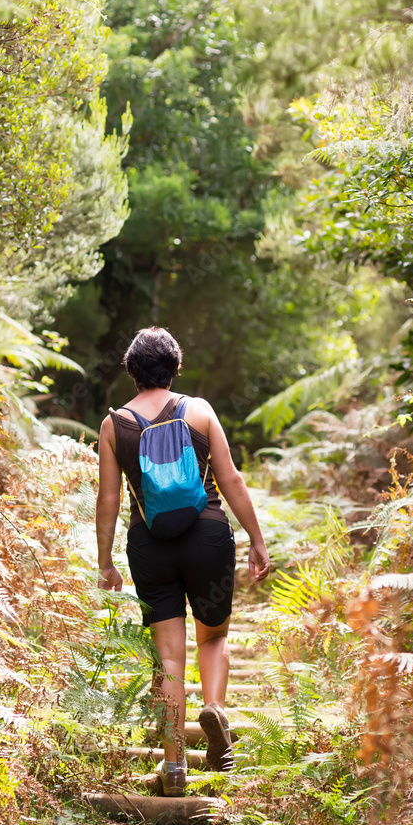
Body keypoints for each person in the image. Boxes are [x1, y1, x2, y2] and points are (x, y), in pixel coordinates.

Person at [95, 326, 270, 796]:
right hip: (207, 536)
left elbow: (108, 499)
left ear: (132, 371)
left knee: (168, 657)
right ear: (175, 367)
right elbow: (231, 480)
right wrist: (256, 539)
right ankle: (213, 707)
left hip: (149, 544)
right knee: (213, 637)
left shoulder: (114, 426)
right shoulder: (200, 410)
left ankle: (174, 767)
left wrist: (105, 560)